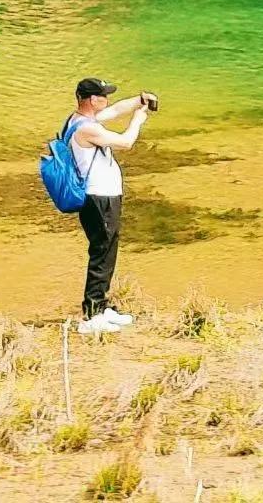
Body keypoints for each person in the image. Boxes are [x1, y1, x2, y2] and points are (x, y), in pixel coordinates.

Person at [67, 77, 156, 336]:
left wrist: (139, 102)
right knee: (102, 252)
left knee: (107, 249)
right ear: (92, 100)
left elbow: (115, 110)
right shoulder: (86, 129)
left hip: (102, 196)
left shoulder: (80, 119)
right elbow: (126, 142)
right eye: (103, 95)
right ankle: (92, 314)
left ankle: (101, 306)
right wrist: (137, 121)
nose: (107, 99)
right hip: (99, 197)